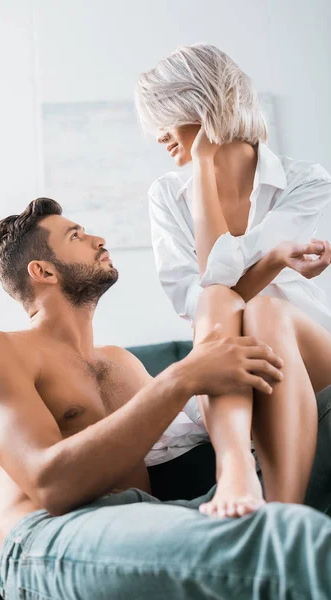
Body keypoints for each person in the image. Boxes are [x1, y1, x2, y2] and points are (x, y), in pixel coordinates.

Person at [0, 198, 331, 600]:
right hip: (48, 540)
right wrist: (179, 378)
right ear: (43, 270)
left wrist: (270, 265)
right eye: (76, 235)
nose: (98, 239)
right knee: (292, 541)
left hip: (155, 520)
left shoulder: (122, 364)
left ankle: (276, 511)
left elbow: (218, 335)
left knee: (304, 374)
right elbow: (53, 485)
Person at [135, 42, 331, 518]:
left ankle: (279, 509)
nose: (158, 136)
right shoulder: (166, 194)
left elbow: (217, 280)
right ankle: (241, 474)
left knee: (261, 307)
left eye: (165, 117)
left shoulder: (307, 181)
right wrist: (271, 262)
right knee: (227, 303)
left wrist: (203, 163)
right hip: (230, 347)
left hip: (313, 352)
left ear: (201, 106)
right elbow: (197, 298)